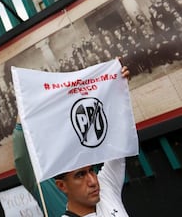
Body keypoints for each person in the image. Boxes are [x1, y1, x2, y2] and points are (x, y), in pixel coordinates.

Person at [13, 60, 131, 217]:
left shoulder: (106, 189)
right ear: (61, 186)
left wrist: (117, 89)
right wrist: (29, 99)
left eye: (91, 171)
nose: (93, 181)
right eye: (80, 175)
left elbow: (118, 139)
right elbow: (21, 152)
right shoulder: (41, 180)